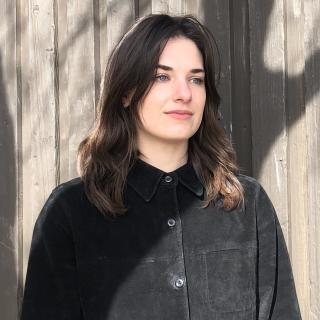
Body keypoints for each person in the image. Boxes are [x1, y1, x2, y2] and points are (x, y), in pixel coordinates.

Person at [21, 13, 302, 320]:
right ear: (127, 92)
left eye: (196, 79)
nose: (184, 94)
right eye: (162, 77)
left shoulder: (247, 206)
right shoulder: (71, 213)